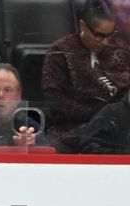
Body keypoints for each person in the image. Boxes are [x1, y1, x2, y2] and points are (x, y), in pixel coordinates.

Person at [42, 0, 130, 153]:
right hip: (73, 129)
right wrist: (100, 114)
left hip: (115, 127)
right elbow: (56, 99)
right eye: (99, 35)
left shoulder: (122, 50)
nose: (105, 42)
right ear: (83, 26)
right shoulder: (60, 52)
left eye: (110, 34)